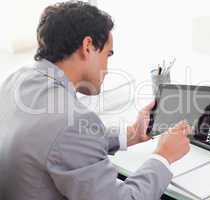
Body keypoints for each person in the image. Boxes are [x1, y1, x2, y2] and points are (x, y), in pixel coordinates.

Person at [0, 1, 191, 200]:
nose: (107, 69)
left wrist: (132, 133)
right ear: (88, 46)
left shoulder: (15, 81)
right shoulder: (69, 121)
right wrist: (163, 156)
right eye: (107, 55)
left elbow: (61, 145)